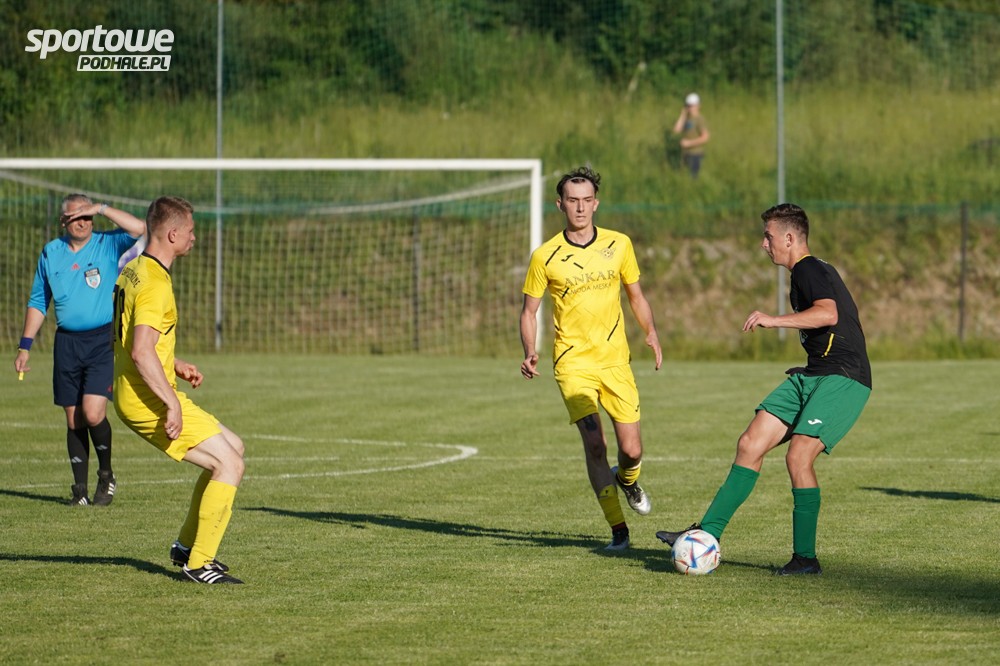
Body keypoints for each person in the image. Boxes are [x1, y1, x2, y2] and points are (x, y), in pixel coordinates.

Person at [656, 203, 872, 575]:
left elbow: (829, 313)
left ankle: (805, 559)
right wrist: (813, 365)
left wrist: (774, 320)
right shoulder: (808, 271)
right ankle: (706, 533)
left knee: (798, 457)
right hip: (815, 374)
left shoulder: (808, 268)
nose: (764, 244)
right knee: (750, 443)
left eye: (768, 237)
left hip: (843, 378)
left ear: (789, 238)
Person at [520, 166, 663, 551]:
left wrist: (650, 331)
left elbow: (636, 295)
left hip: (615, 362)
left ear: (596, 204)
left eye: (586, 201)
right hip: (572, 365)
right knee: (595, 444)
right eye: (573, 201)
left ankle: (628, 481)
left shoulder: (620, 244)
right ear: (560, 204)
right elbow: (528, 311)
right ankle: (619, 532)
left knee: (631, 450)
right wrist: (530, 350)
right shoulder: (545, 256)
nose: (580, 208)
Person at [112, 196, 246, 585]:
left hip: (139, 388)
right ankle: (200, 564)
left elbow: (134, 339)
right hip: (146, 398)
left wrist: (173, 363)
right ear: (172, 234)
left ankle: (186, 546)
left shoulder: (134, 269)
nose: (194, 237)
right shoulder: (155, 284)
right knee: (230, 465)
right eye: (190, 231)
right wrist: (171, 402)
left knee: (233, 448)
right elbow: (140, 351)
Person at [14, 194, 145, 506]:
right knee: (73, 419)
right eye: (76, 216)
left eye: (87, 216)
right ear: (64, 221)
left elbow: (140, 228)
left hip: (102, 341)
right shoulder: (51, 253)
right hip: (67, 344)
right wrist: (25, 347)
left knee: (93, 412)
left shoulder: (107, 243)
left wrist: (100, 207)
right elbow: (38, 301)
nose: (83, 221)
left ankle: (106, 475)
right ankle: (80, 491)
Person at [671, 92, 710, 178]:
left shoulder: (700, 119)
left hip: (695, 154)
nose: (690, 108)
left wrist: (689, 143)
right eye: (688, 105)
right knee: (684, 177)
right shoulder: (687, 118)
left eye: (692, 105)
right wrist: (682, 115)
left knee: (693, 178)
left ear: (698, 106)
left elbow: (705, 137)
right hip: (685, 153)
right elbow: (676, 130)